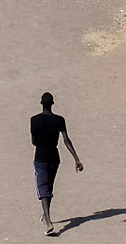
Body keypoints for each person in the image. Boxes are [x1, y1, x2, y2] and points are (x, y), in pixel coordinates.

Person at [31, 92, 83, 236]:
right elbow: (66, 140)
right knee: (49, 187)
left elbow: (33, 141)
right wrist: (76, 159)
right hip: (54, 157)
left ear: (41, 103)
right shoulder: (60, 120)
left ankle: (48, 222)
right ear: (53, 104)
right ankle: (45, 215)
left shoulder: (34, 120)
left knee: (43, 188)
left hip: (40, 157)